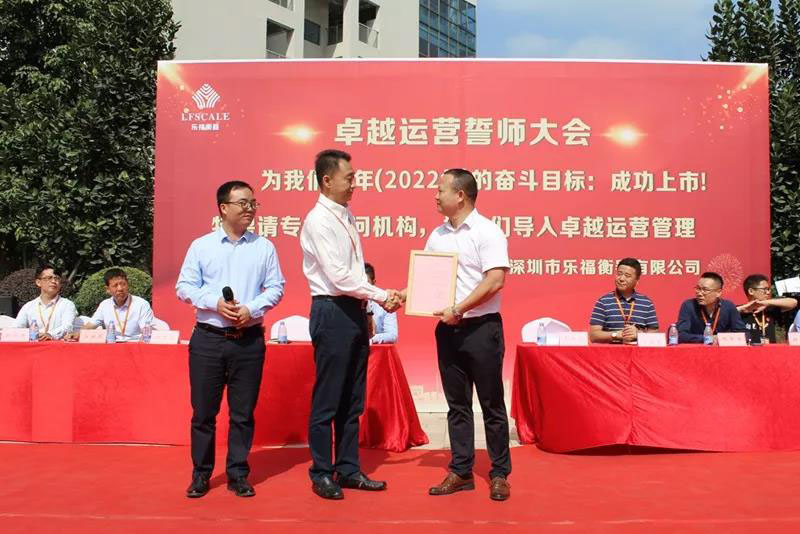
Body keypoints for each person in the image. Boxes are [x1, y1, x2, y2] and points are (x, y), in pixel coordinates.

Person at [398, 168, 512, 501]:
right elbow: (427, 278)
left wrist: (459, 308)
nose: (435, 196)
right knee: (457, 405)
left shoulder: (487, 231)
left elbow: (495, 280)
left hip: (482, 329)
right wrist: (401, 295)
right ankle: (461, 471)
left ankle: (499, 473)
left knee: (491, 404)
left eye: (441, 190)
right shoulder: (438, 235)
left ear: (460, 195)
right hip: (448, 330)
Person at [300, 149, 399, 500]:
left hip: (354, 311)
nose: (355, 183)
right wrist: (381, 295)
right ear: (327, 180)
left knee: (352, 398)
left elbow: (353, 273)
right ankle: (321, 472)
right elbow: (339, 277)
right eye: (350, 177)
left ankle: (348, 468)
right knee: (328, 398)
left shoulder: (346, 215)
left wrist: (373, 298)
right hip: (332, 312)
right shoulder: (318, 221)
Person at [176, 180, 285, 499]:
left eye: (253, 203)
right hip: (208, 340)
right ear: (223, 208)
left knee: (242, 413)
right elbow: (184, 287)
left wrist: (251, 309)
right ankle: (201, 474)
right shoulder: (201, 246)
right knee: (203, 413)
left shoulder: (264, 247)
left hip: (248, 340)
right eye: (243, 203)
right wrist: (215, 303)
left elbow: (276, 287)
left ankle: (238, 473)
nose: (250, 209)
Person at [589, 258, 659, 343]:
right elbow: (593, 335)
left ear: (637, 280)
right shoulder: (603, 302)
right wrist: (615, 335)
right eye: (619, 274)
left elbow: (655, 334)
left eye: (627, 276)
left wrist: (639, 335)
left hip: (638, 351)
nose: (621, 278)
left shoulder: (647, 303)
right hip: (611, 351)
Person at [82, 268, 154, 341]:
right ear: (107, 289)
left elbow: (146, 333)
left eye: (123, 284)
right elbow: (90, 325)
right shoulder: (104, 305)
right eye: (115, 285)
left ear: (128, 284)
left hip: (135, 343)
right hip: (112, 344)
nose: (120, 289)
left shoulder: (141, 304)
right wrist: (78, 334)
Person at [677, 272, 747, 343]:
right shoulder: (689, 305)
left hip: (722, 349)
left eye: (705, 290)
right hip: (697, 348)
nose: (700, 293)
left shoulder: (728, 306)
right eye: (698, 288)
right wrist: (708, 339)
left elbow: (743, 334)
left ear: (718, 293)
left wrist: (722, 338)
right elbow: (680, 335)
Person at [14, 264, 78, 341]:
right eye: (49, 278)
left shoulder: (67, 305)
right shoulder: (29, 306)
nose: (53, 281)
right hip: (34, 346)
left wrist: (50, 334)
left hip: (57, 346)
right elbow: (17, 328)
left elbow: (67, 327)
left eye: (57, 278)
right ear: (38, 282)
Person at [737, 274, 797, 344]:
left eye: (768, 289)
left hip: (770, 349)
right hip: (748, 350)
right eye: (764, 289)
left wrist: (766, 303)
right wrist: (743, 308)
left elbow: (793, 302)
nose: (768, 292)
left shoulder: (769, 308)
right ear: (751, 291)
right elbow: (726, 313)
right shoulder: (740, 311)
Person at [365, 262, 398, 344]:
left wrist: (370, 339)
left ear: (373, 282)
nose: (362, 288)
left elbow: (392, 335)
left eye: (366, 284)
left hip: (375, 349)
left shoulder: (386, 302)